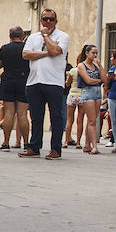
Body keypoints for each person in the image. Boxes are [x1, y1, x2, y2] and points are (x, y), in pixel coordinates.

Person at [20, 9, 69, 160]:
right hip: (34, 81)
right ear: (41, 20)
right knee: (36, 116)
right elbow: (25, 55)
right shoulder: (33, 37)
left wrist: (46, 36)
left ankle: (56, 149)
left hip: (54, 82)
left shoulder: (63, 36)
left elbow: (56, 50)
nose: (48, 22)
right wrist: (46, 53)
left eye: (51, 19)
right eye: (45, 19)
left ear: (56, 21)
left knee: (56, 117)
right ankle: (34, 147)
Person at [0, 26, 30, 151]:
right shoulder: (27, 48)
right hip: (23, 80)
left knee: (9, 113)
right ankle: (26, 144)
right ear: (22, 36)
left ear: (10, 36)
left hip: (8, 80)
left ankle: (5, 143)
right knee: (22, 114)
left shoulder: (5, 48)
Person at [76, 44, 104, 154]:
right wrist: (98, 80)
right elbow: (88, 80)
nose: (95, 55)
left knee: (92, 119)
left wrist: (100, 66)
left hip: (97, 92)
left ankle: (87, 144)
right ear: (87, 53)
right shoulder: (81, 65)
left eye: (96, 53)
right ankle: (95, 147)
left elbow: (105, 79)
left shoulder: (96, 65)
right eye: (93, 53)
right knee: (92, 120)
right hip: (87, 92)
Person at [65, 61, 84, 148]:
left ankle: (66, 141)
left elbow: (67, 83)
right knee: (80, 120)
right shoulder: (85, 70)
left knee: (69, 120)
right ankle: (78, 143)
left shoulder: (72, 70)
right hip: (82, 95)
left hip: (72, 94)